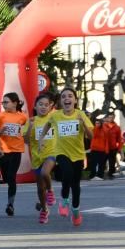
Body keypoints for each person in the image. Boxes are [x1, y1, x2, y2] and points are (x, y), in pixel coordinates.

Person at [44, 87, 93, 227]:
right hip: (61, 152)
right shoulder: (56, 115)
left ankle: (76, 210)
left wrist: (83, 123)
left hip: (78, 154)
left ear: (75, 100)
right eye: (64, 96)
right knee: (67, 173)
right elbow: (47, 125)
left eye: (70, 96)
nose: (67, 99)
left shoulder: (81, 114)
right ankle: (64, 199)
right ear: (61, 101)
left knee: (76, 184)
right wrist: (42, 139)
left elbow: (91, 136)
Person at [0, 91, 28, 215]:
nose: (4, 105)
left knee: (11, 177)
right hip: (3, 151)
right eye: (3, 102)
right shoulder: (0, 116)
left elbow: (27, 128)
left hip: (16, 150)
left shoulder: (22, 117)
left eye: (6, 102)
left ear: (15, 103)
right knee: (6, 177)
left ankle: (10, 204)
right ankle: (10, 202)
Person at [26, 92, 57, 224]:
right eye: (40, 104)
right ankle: (44, 209)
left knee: (45, 172)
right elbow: (26, 140)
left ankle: (50, 190)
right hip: (37, 157)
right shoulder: (31, 121)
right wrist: (30, 127)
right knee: (40, 189)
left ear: (50, 106)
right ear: (35, 106)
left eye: (46, 105)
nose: (43, 107)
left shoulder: (54, 119)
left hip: (51, 153)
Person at [104, 115, 123, 179]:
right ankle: (102, 173)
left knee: (112, 161)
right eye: (109, 117)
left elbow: (119, 138)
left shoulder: (117, 127)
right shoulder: (103, 126)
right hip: (104, 146)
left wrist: (119, 147)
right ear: (106, 118)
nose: (111, 118)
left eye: (112, 117)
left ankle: (111, 173)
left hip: (113, 147)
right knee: (103, 160)